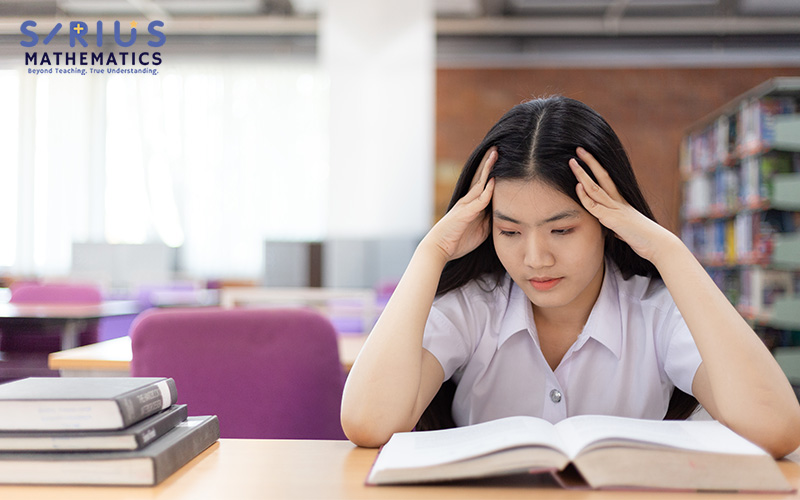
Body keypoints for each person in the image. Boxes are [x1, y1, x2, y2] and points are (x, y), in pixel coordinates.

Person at [340, 96, 800, 457]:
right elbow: (368, 422)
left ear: (609, 222)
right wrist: (431, 252)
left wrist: (668, 251)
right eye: (509, 230)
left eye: (561, 229)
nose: (535, 258)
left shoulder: (655, 312)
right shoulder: (474, 306)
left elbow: (775, 428)